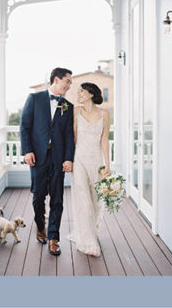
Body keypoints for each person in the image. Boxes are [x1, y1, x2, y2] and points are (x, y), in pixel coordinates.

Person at [20, 68, 76, 257]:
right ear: (56, 79)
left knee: (57, 198)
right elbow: (25, 126)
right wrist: (27, 151)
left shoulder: (68, 106)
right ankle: (40, 226)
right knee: (38, 196)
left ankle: (54, 238)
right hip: (37, 157)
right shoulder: (35, 99)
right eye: (68, 81)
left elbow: (69, 135)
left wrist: (68, 158)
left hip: (58, 158)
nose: (70, 85)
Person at [68, 82, 111, 257]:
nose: (79, 94)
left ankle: (90, 232)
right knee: (83, 200)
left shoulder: (105, 114)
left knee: (95, 200)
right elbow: (73, 138)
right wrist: (69, 160)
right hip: (79, 159)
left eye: (82, 91)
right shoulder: (76, 112)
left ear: (91, 94)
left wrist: (107, 165)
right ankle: (88, 242)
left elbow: (105, 140)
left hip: (96, 160)